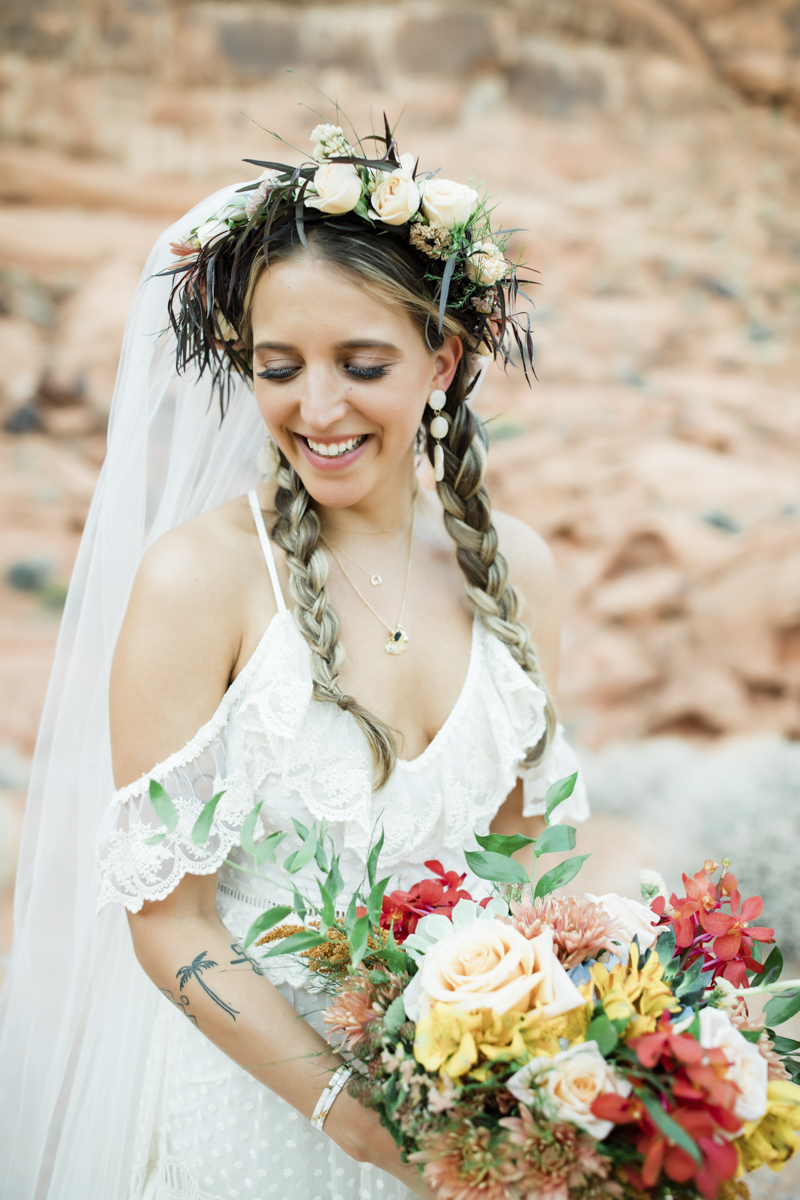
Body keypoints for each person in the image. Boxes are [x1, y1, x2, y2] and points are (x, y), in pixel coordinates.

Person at [0, 117, 587, 1200]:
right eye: (279, 368)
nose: (316, 410)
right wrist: (354, 1121)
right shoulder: (199, 582)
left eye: (362, 365)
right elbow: (169, 920)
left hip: (458, 1124)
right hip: (252, 1130)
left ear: (441, 358)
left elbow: (518, 878)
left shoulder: (521, 575)